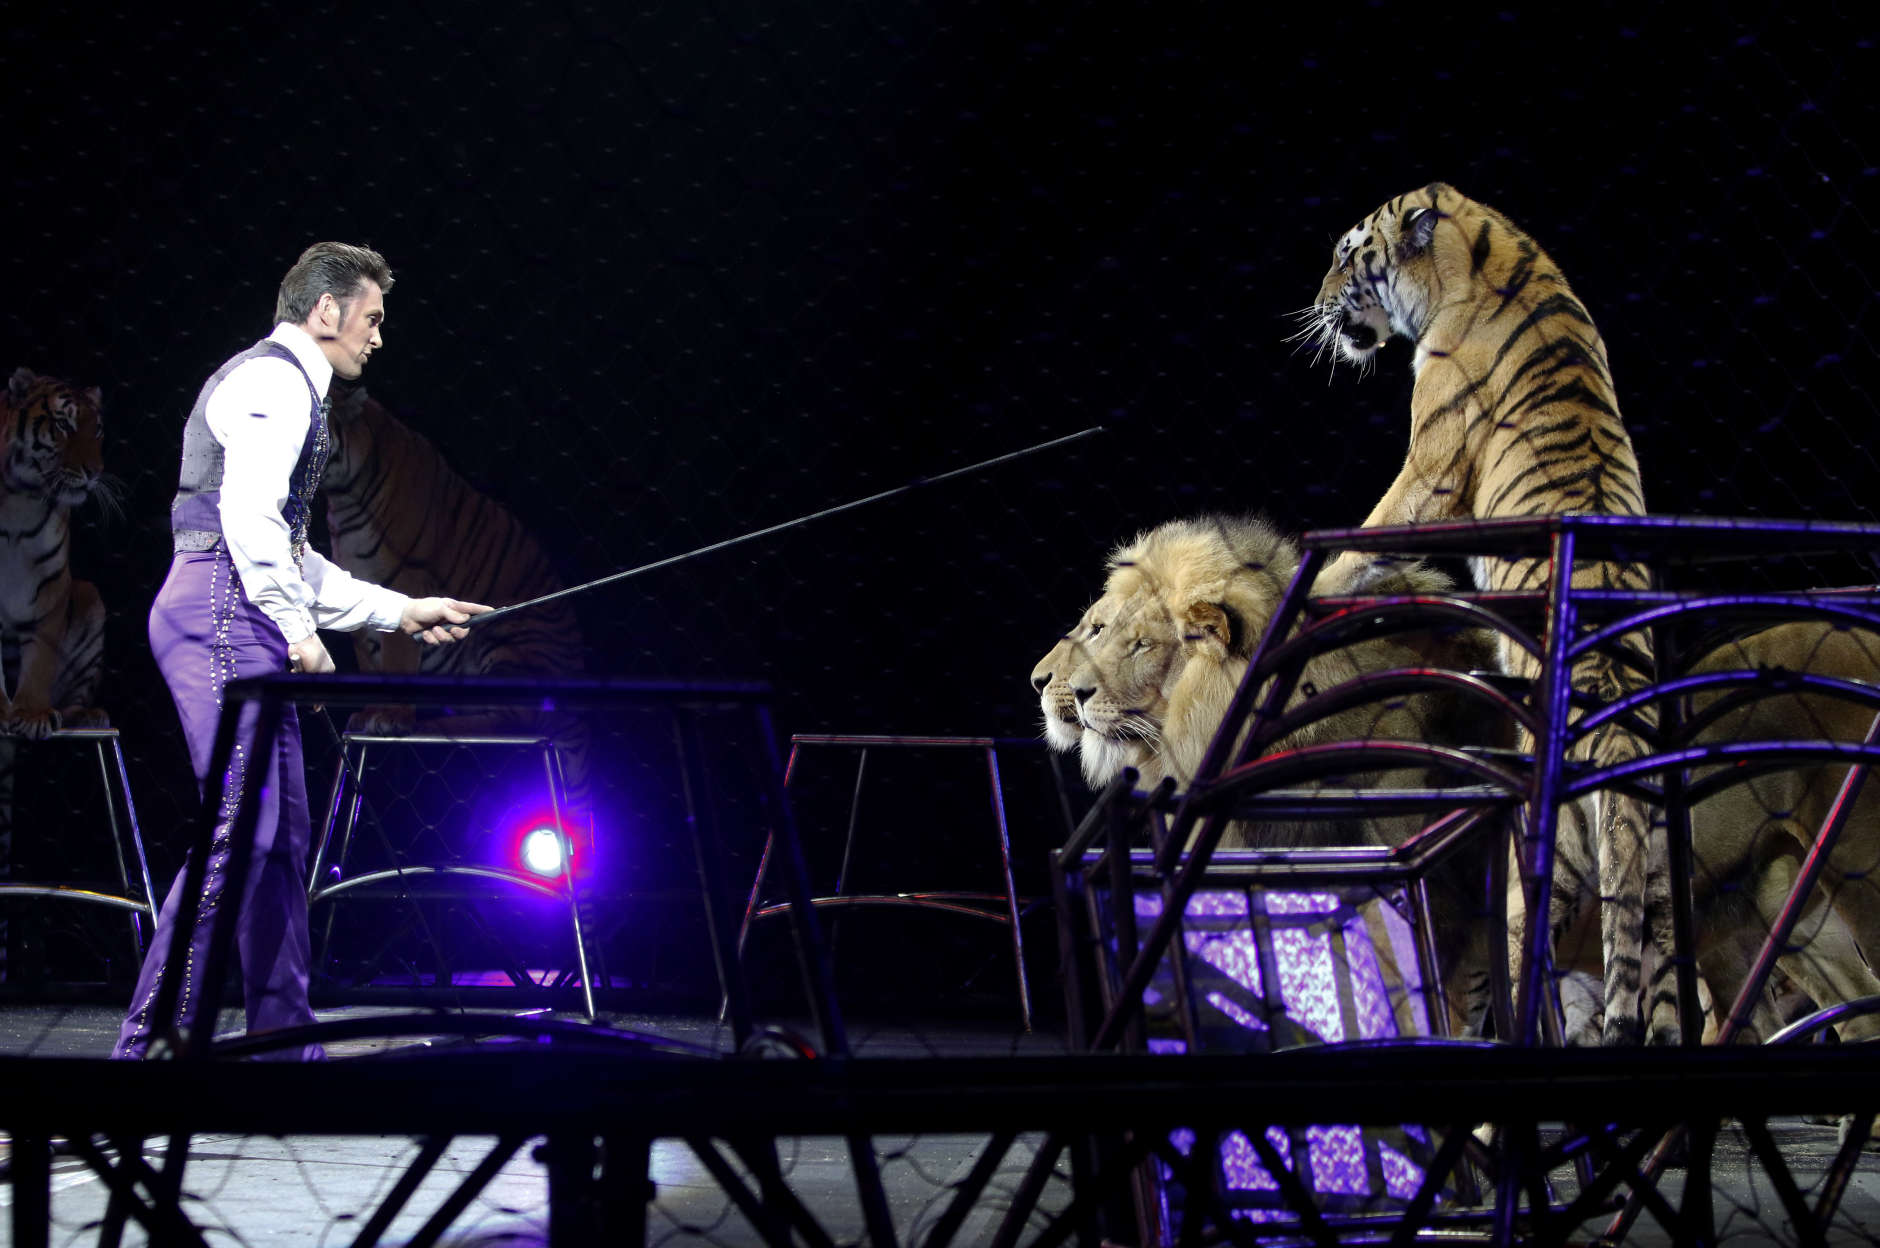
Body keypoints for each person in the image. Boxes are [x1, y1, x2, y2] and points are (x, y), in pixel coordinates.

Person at [115, 242, 490, 1060]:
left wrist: (402, 610)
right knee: (242, 830)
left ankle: (285, 1046)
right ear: (327, 310)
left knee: (281, 836)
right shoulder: (274, 383)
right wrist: (298, 633)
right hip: (220, 607)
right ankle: (144, 1053)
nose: (378, 337)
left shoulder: (294, 389)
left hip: (239, 604)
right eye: (372, 318)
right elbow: (249, 525)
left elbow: (288, 552)